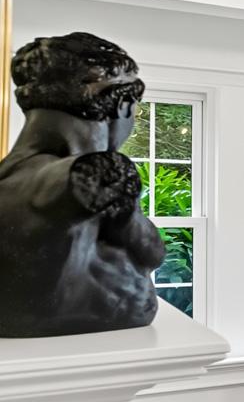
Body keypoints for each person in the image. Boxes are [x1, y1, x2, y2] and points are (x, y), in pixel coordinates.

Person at [0, 32, 165, 336]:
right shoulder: (98, 174)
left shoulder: (10, 174)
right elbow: (153, 254)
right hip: (95, 352)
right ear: (123, 105)